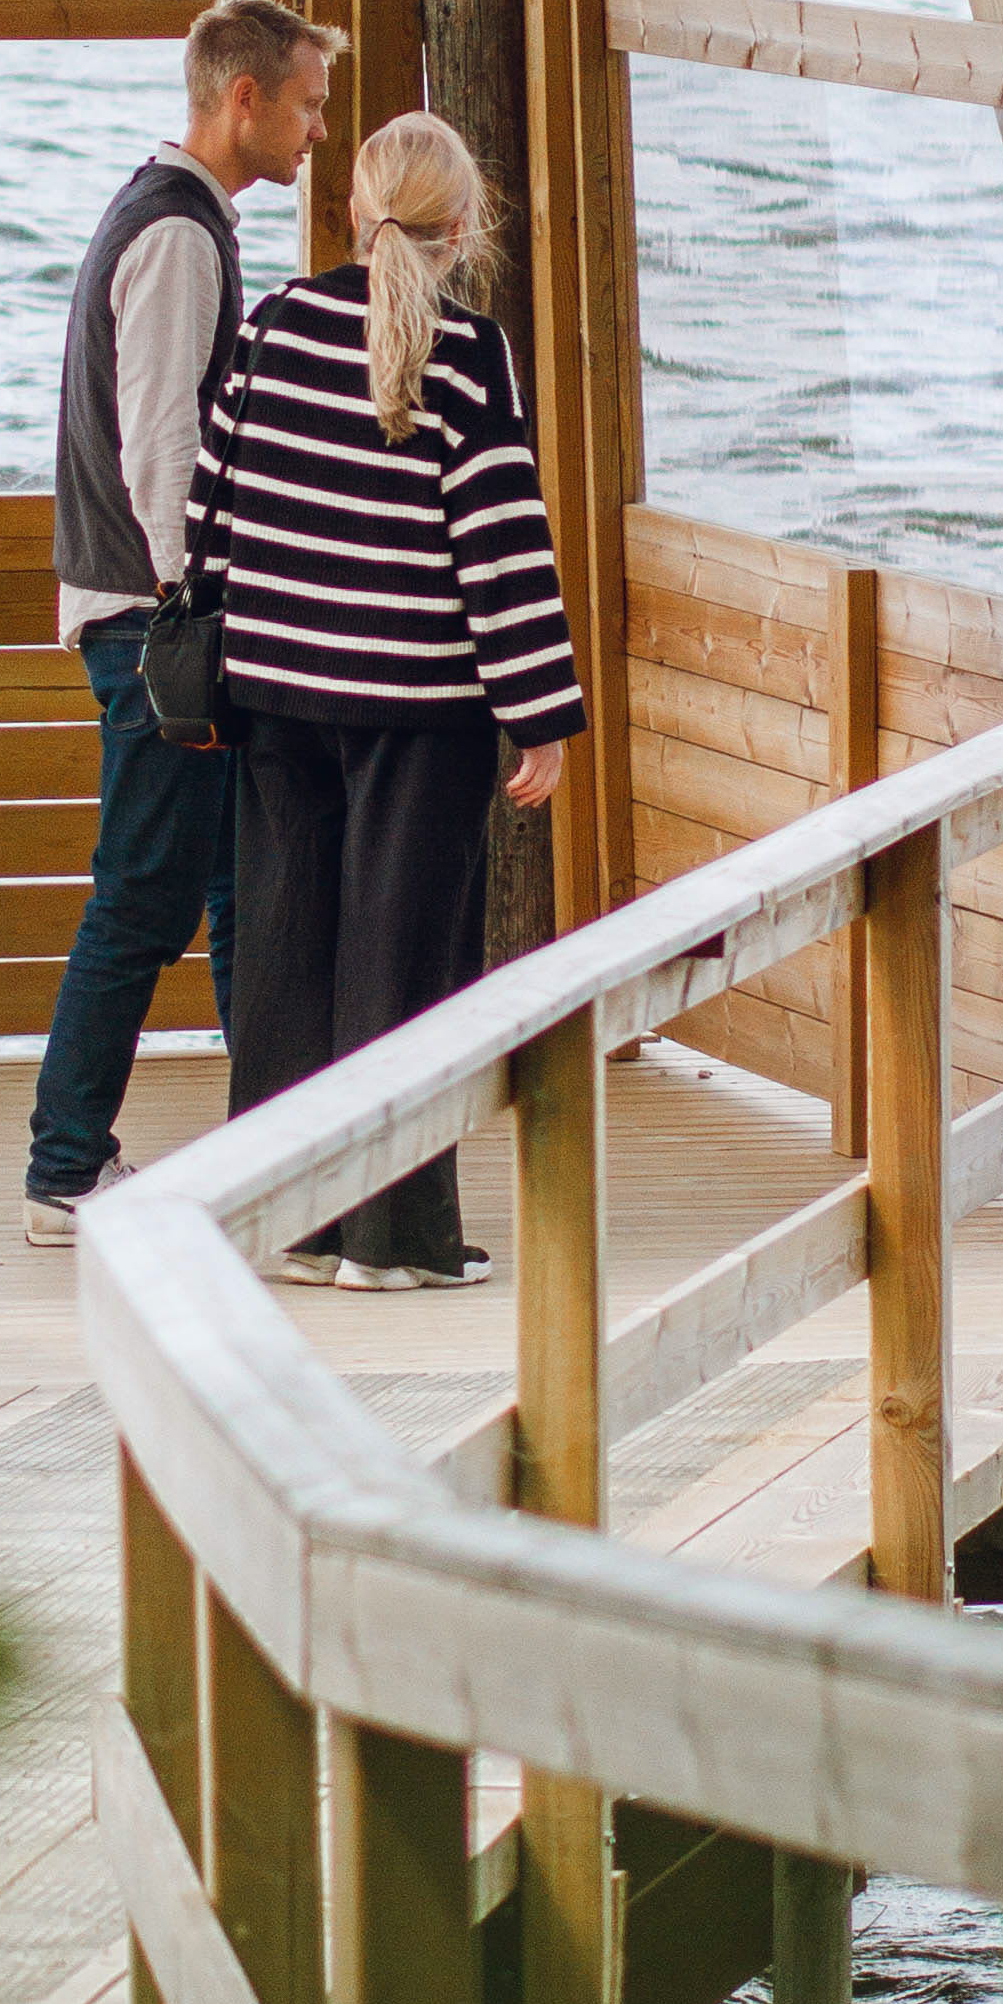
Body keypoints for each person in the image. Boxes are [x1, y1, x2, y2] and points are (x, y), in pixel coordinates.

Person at [185, 109, 584, 1291]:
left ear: (355, 214)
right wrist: (539, 711)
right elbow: (499, 544)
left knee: (282, 956)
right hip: (419, 698)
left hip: (275, 690)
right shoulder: (470, 354)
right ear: (465, 227)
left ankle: (282, 1222)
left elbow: (213, 504)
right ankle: (393, 1241)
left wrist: (218, 637)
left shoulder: (274, 325)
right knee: (402, 966)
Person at [24, 0, 338, 1245]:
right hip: (155, 622)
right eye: (307, 105)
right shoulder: (176, 239)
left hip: (149, 613)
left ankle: (258, 1145)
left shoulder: (172, 219)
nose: (318, 131)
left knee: (225, 884)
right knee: (146, 895)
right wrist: (186, 614)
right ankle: (63, 1168)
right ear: (242, 97)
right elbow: (161, 444)